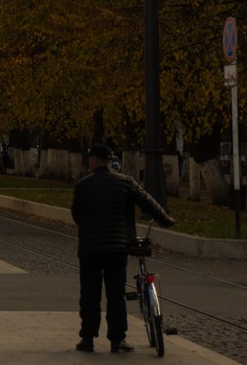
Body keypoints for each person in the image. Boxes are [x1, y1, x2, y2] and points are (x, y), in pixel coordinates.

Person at [71, 144, 174, 353]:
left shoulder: (82, 185)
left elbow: (76, 216)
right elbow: (147, 202)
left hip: (90, 249)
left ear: (93, 161)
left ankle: (87, 338)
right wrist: (166, 219)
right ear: (109, 161)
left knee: (89, 294)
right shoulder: (125, 182)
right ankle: (117, 340)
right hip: (117, 249)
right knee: (116, 295)